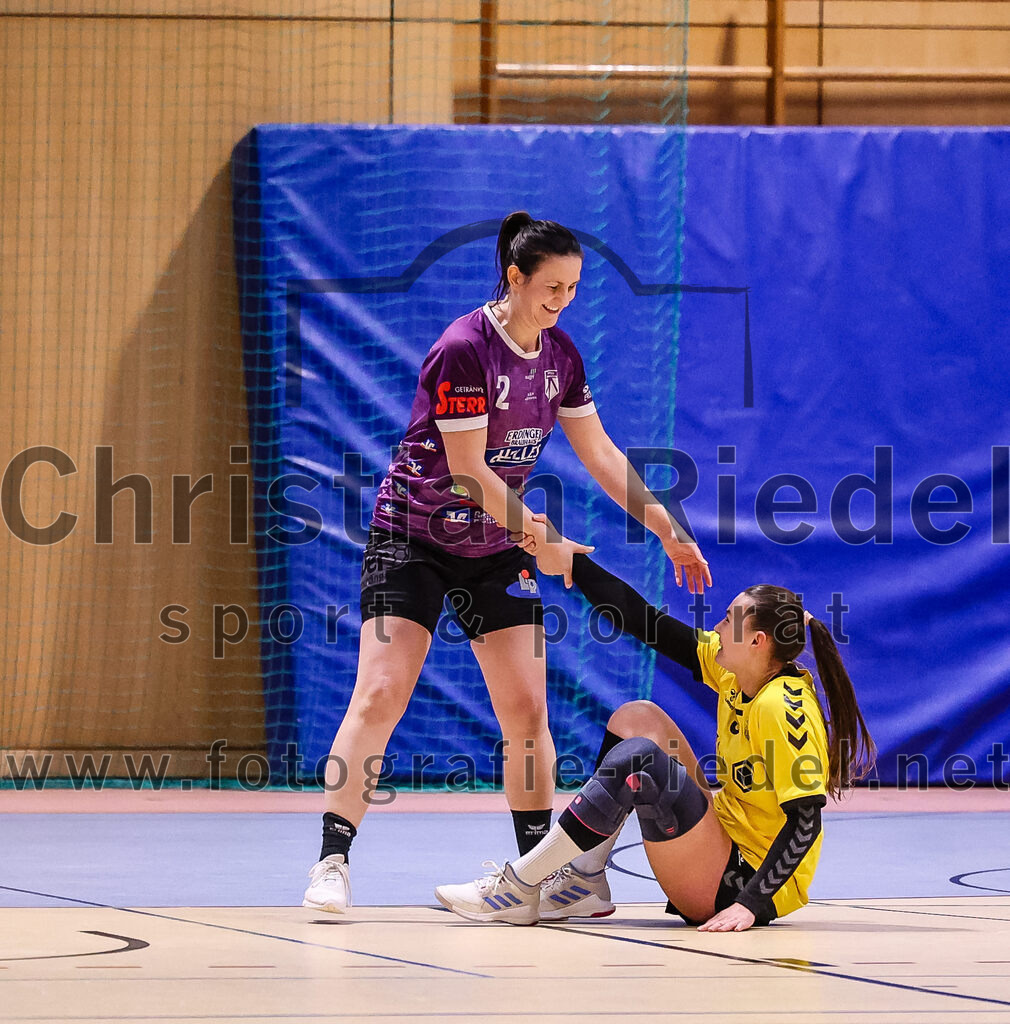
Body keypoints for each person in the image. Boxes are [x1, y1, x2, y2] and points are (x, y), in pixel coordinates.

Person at [303, 212, 711, 913]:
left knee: (527, 711)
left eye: (574, 288)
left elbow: (603, 455)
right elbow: (467, 473)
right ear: (514, 279)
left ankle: (538, 876)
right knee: (380, 694)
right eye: (550, 287)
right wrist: (544, 534)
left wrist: (666, 526)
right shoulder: (463, 349)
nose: (561, 301)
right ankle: (332, 862)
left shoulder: (561, 359)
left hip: (495, 547)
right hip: (414, 538)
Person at [435, 546, 874, 930]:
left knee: (640, 762)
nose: (718, 628)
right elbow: (643, 621)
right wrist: (570, 560)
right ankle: (585, 880)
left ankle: (518, 885)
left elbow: (805, 820)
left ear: (757, 641)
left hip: (739, 879)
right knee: (637, 718)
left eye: (727, 620)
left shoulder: (781, 706)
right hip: (724, 836)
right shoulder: (737, 671)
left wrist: (751, 904)